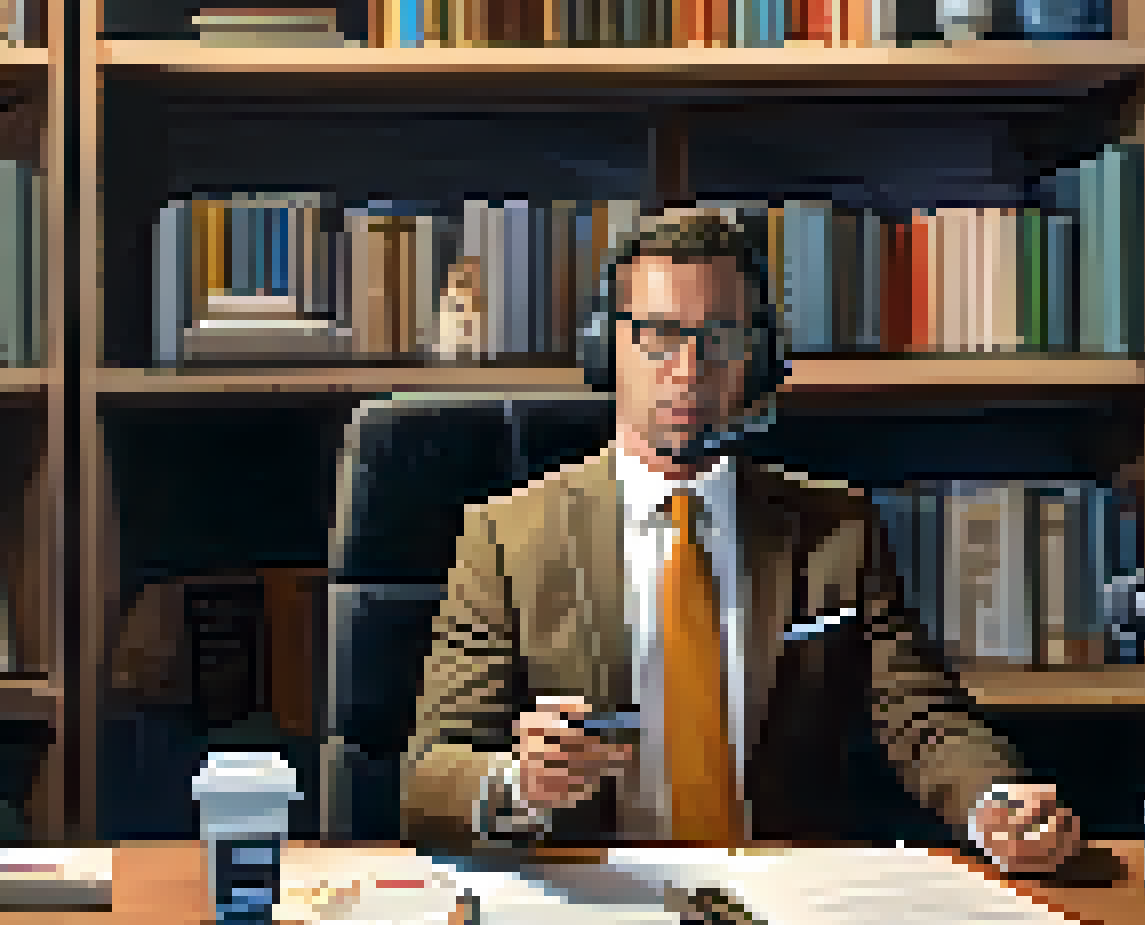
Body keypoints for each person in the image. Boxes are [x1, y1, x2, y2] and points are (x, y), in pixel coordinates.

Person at [400, 211, 1083, 873]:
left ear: (757, 360)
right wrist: (519, 784)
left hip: (781, 899)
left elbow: (921, 716)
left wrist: (996, 803)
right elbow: (431, 775)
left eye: (720, 337)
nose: (689, 368)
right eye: (658, 335)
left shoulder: (837, 529)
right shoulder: (506, 537)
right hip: (598, 898)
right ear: (607, 350)